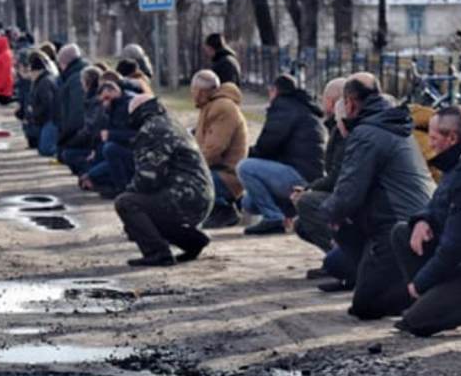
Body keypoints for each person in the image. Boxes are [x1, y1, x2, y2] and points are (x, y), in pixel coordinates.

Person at [386, 107, 461, 336]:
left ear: (452, 138)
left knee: (414, 323)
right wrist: (423, 220)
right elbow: (437, 203)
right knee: (403, 233)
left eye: (433, 138)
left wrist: (420, 283)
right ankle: (435, 298)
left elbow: (456, 248)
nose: (430, 144)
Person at [318, 74, 433, 315]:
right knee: (339, 251)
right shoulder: (394, 124)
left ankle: (423, 293)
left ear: (350, 103)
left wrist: (327, 213)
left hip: (394, 226)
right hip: (413, 220)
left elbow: (348, 193)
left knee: (365, 306)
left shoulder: (367, 134)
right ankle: (380, 275)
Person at [114, 93, 214, 267]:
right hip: (200, 196)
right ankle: (193, 241)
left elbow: (148, 178)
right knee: (150, 208)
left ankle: (158, 253)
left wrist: (130, 200)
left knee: (126, 203)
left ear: (137, 113)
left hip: (186, 196)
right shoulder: (170, 122)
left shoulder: (152, 129)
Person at [236, 74, 326, 235]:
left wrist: (249, 154)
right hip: (310, 177)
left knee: (245, 167)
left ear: (274, 91)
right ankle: (288, 214)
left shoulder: (283, 107)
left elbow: (267, 145)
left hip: (298, 176)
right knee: (248, 202)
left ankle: (273, 218)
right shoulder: (304, 107)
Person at [292, 77, 348, 259]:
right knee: (301, 222)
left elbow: (337, 176)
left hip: (353, 198)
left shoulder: (344, 130)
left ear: (331, 102)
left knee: (307, 203)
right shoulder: (336, 128)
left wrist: (309, 191)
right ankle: (336, 257)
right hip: (343, 190)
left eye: (323, 98)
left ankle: (344, 258)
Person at [191, 70, 249, 229]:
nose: (192, 95)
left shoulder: (222, 108)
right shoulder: (212, 106)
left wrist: (191, 167)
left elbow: (214, 149)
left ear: (201, 92)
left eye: (193, 90)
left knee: (185, 181)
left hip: (226, 176)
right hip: (219, 172)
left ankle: (222, 209)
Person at [59, 67, 105, 174]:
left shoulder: (94, 101)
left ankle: (90, 173)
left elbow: (90, 129)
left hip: (95, 144)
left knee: (68, 154)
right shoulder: (92, 98)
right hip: (93, 142)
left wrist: (71, 142)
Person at [55, 43, 89, 160]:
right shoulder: (79, 74)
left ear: (64, 63)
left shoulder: (75, 80)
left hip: (79, 133)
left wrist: (64, 137)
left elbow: (76, 112)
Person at [24, 51, 58, 157]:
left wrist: (33, 112)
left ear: (37, 71)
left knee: (45, 150)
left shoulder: (44, 83)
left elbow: (48, 105)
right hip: (47, 119)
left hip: (50, 120)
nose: (30, 75)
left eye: (31, 71)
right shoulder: (42, 81)